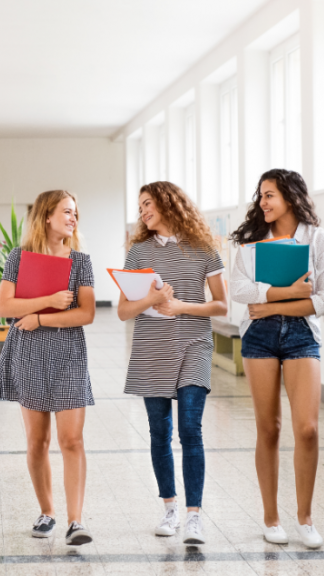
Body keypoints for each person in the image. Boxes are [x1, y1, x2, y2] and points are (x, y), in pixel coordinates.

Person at [229, 169, 324, 549]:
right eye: (261, 195)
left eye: (270, 195)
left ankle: (305, 519)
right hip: (258, 336)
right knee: (270, 429)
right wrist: (286, 292)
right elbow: (239, 290)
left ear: (290, 197)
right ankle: (271, 518)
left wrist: (275, 303)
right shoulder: (252, 241)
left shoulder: (318, 239)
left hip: (301, 336)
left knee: (307, 428)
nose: (263, 202)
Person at [118, 181, 227, 545]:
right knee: (159, 431)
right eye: (140, 207)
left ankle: (194, 516)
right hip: (152, 345)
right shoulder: (138, 254)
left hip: (194, 341)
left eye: (148, 204)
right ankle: (170, 507)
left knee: (190, 428)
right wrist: (151, 298)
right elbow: (122, 311)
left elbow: (221, 305)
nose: (143, 212)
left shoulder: (204, 247)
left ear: (168, 203)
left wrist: (180, 306)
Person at [0, 190, 96, 546]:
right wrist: (48, 302)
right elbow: (5, 305)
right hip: (29, 352)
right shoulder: (18, 258)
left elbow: (87, 313)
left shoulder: (80, 261)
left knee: (71, 440)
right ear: (46, 216)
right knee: (37, 441)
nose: (73, 218)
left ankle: (76, 521)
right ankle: (47, 512)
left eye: (75, 213)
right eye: (67, 211)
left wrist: (41, 318)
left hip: (68, 353)